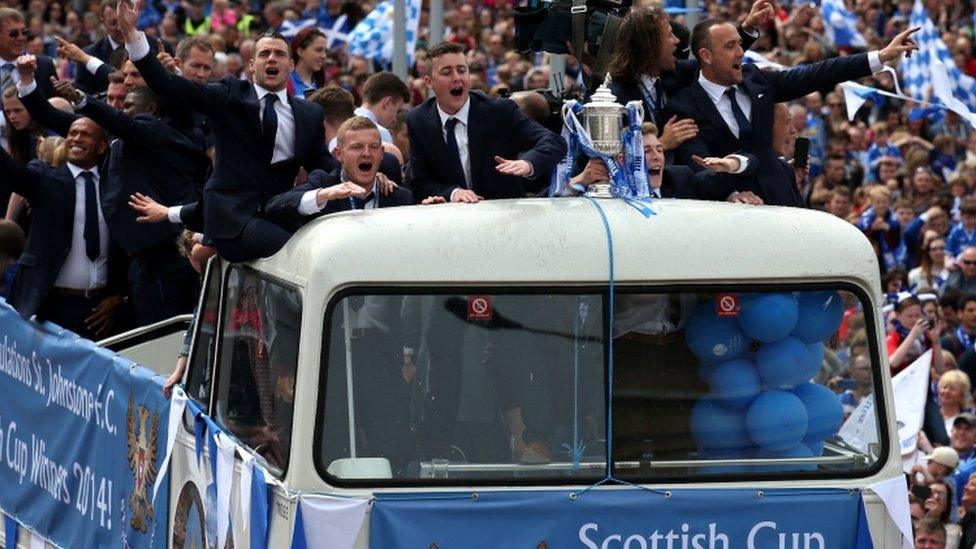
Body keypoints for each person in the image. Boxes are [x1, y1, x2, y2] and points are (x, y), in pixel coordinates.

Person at [117, 0, 335, 263]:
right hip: (232, 219)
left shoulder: (310, 114)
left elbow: (326, 166)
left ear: (290, 65)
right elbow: (169, 86)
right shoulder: (230, 94)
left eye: (279, 53)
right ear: (252, 65)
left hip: (278, 215)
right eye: (265, 54)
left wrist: (371, 177)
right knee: (296, 254)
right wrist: (132, 37)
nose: (272, 58)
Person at [663, 20, 919, 203]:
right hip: (734, 219)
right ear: (706, 56)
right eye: (730, 46)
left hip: (785, 201)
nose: (741, 52)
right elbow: (698, 167)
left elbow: (817, 74)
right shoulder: (684, 107)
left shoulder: (756, 81)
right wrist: (730, 195)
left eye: (740, 44)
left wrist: (881, 57)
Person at [0, 116, 127, 339]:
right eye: (72, 133)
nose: (76, 138)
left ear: (102, 145)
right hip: (51, 307)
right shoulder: (45, 179)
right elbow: (10, 171)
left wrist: (120, 297)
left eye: (85, 134)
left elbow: (128, 245)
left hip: (102, 310)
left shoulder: (116, 187)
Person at [407, 41, 566, 203]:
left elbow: (554, 142)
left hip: (505, 216)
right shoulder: (418, 120)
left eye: (462, 70)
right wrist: (453, 193)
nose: (457, 78)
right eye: (446, 72)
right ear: (429, 82)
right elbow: (420, 182)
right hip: (453, 220)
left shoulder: (499, 111)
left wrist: (528, 163)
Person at [604, 2, 771, 149]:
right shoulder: (615, 98)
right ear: (649, 45)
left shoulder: (675, 73)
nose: (677, 40)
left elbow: (715, 58)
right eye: (669, 35)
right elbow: (610, 159)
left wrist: (748, 26)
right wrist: (661, 144)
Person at [265, 116, 413, 230]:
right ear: (339, 154)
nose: (367, 154)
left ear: (381, 153)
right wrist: (324, 195)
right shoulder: (324, 183)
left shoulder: (400, 197)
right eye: (357, 147)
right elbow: (274, 208)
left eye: (373, 147)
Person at [887, 293, 943, 375]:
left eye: (917, 315)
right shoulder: (893, 337)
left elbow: (940, 369)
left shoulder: (926, 336)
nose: (914, 319)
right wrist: (912, 335)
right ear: (898, 315)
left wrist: (936, 341)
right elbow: (893, 363)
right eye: (910, 316)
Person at [288, 27, 325, 97]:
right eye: (318, 50)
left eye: (325, 51)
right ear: (300, 51)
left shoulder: (322, 85)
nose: (324, 56)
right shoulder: (284, 82)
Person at [938, 370, 975, 435]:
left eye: (952, 389)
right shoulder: (930, 415)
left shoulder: (966, 421)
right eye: (944, 387)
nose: (946, 391)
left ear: (962, 395)